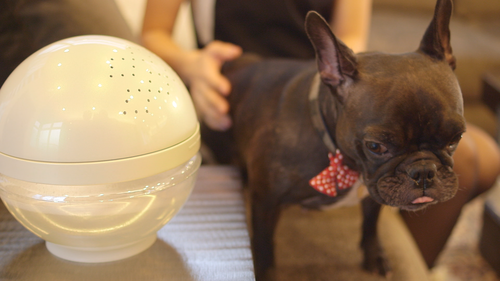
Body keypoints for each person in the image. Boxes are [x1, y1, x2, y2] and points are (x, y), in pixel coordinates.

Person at [141, 0, 500, 268]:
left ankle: (407, 258)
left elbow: (352, 38)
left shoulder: (375, 119)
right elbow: (152, 33)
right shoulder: (287, 146)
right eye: (378, 146)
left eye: (448, 139)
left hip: (344, 74)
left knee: (483, 158)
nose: (421, 166)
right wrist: (193, 65)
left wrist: (365, 94)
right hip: (246, 85)